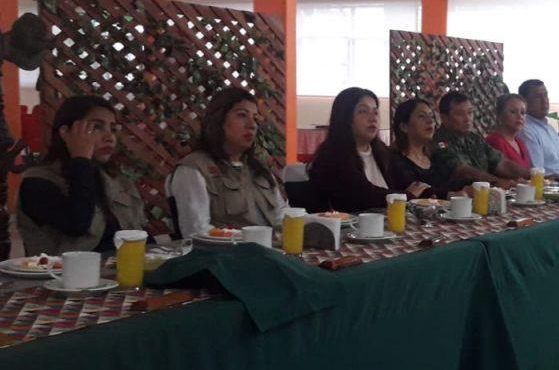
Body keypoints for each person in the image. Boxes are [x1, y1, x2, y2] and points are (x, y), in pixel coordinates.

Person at [18, 96, 147, 255]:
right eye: (97, 127)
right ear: (66, 133)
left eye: (113, 129)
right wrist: (80, 159)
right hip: (68, 269)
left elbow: (137, 233)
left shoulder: (113, 179)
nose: (109, 138)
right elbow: (77, 224)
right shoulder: (37, 181)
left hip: (125, 263)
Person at [169, 88, 285, 239]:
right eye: (242, 115)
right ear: (219, 120)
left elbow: (282, 215)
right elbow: (196, 230)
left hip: (275, 248)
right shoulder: (194, 168)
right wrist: (251, 237)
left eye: (255, 118)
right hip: (227, 251)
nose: (252, 125)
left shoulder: (258, 169)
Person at [308, 88, 429, 213]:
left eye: (375, 112)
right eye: (363, 111)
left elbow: (409, 184)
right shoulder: (332, 156)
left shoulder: (381, 152)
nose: (373, 118)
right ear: (345, 117)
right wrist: (406, 196)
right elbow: (365, 195)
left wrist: (437, 195)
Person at [434, 91, 529, 190]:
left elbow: (502, 164)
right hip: (457, 197)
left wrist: (531, 174)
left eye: (470, 112)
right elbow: (464, 171)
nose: (467, 118)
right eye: (460, 114)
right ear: (444, 118)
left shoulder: (474, 138)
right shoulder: (440, 142)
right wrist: (496, 182)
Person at [389, 99, 457, 199]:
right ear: (404, 126)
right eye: (421, 116)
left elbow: (452, 182)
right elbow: (419, 191)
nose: (430, 121)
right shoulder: (393, 159)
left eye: (431, 116)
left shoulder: (435, 156)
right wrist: (448, 195)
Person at [518, 80, 559, 177]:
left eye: (546, 95)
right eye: (538, 97)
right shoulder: (526, 130)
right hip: (553, 183)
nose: (545, 101)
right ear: (524, 102)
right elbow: (536, 171)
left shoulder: (550, 129)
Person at [485, 94, 532, 170]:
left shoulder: (520, 142)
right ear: (499, 116)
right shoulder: (494, 141)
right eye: (513, 112)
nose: (520, 116)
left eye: (523, 112)